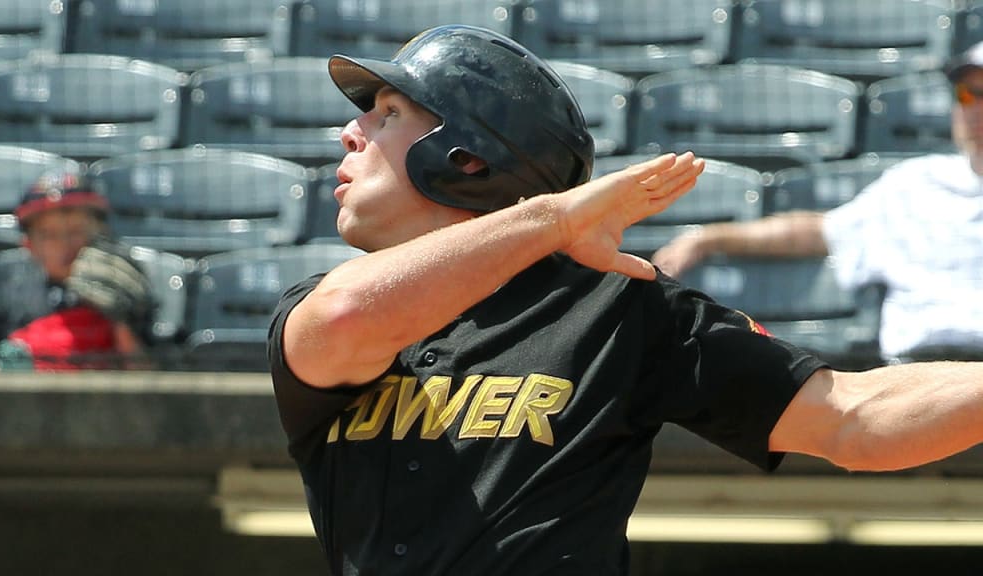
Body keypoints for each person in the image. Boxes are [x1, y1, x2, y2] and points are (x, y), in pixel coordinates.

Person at [267, 25, 983, 575]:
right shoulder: (320, 302)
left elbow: (854, 422)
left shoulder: (615, 304)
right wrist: (555, 218)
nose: (350, 131)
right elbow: (345, 318)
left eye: (388, 113)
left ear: (468, 159)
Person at [653, 40, 983, 364]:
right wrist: (708, 239)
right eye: (966, 94)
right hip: (915, 374)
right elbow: (814, 233)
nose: (974, 108)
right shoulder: (913, 183)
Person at [0, 169, 155, 371]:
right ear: (29, 245)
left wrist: (121, 322)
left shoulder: (128, 284)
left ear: (101, 233)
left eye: (76, 231)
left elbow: (151, 384)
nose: (65, 244)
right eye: (50, 234)